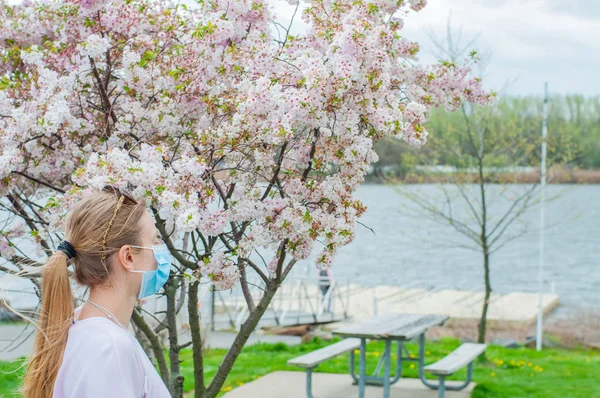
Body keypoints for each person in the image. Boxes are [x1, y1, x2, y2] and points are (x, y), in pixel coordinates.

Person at [22, 185, 172, 398]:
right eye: (154, 241)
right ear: (128, 257)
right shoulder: (110, 347)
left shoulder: (80, 325)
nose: (160, 250)